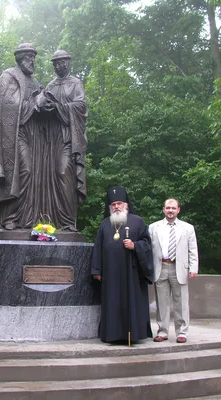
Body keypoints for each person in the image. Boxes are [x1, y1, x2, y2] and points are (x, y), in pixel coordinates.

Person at [0, 43, 43, 229]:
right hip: (13, 134)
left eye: (34, 57)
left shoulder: (35, 82)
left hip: (33, 135)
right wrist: (33, 103)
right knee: (23, 171)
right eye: (29, 57)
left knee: (33, 173)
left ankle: (28, 217)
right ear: (20, 58)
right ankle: (10, 217)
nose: (32, 61)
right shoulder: (9, 76)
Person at [91, 186, 154, 344]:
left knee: (130, 302)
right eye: (113, 205)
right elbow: (98, 248)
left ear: (126, 204)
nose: (116, 206)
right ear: (110, 207)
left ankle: (133, 335)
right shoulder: (105, 224)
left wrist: (135, 246)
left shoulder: (137, 221)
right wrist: (97, 269)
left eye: (119, 203)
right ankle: (112, 335)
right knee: (112, 303)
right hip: (111, 274)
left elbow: (147, 244)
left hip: (131, 273)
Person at [40, 50, 87, 231]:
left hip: (67, 137)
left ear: (68, 63)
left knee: (62, 172)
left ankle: (68, 221)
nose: (59, 66)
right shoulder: (50, 85)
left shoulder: (75, 83)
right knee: (47, 178)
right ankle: (49, 220)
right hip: (50, 139)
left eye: (62, 62)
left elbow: (81, 106)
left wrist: (59, 108)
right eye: (56, 63)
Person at [149, 198, 198, 343]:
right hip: (160, 267)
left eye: (173, 208)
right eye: (168, 208)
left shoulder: (188, 228)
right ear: (163, 209)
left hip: (179, 268)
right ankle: (162, 331)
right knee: (162, 302)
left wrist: (193, 268)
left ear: (178, 210)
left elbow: (193, 250)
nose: (170, 210)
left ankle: (182, 332)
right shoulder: (153, 227)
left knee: (181, 302)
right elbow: (149, 250)